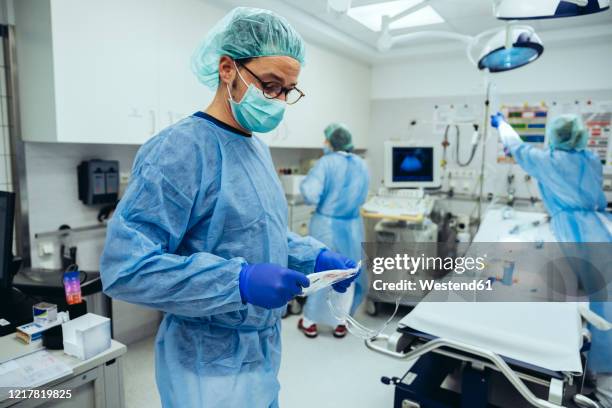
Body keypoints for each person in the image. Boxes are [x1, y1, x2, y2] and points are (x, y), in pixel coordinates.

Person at [100, 8, 358, 407]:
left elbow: (259, 235)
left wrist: (315, 257)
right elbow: (126, 269)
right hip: (207, 358)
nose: (277, 100)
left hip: (261, 350)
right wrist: (237, 282)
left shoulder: (255, 148)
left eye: (287, 90)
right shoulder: (179, 149)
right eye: (270, 85)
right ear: (226, 69)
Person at [492, 112, 612, 407]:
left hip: (573, 233)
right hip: (601, 228)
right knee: (604, 303)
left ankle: (570, 372)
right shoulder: (590, 159)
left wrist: (503, 125)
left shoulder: (550, 162)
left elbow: (517, 147)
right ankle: (602, 380)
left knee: (569, 298)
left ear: (554, 137)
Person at [297, 123, 370, 338]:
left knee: (322, 272)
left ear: (331, 141)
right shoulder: (361, 164)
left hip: (327, 226)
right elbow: (363, 195)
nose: (324, 143)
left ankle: (310, 321)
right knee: (347, 272)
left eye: (325, 139)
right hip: (353, 226)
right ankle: (341, 322)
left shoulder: (325, 163)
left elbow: (311, 194)